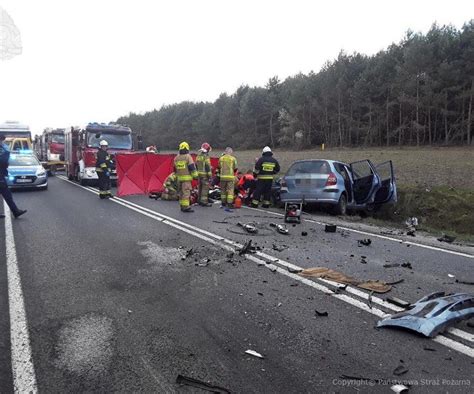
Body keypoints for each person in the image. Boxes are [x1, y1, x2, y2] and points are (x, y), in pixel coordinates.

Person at [0, 135, 27, 218]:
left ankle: (16, 211)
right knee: (7, 195)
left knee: (7, 194)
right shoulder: (3, 149)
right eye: (2, 140)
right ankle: (16, 211)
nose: (2, 142)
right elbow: (3, 160)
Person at [173, 141, 198, 212]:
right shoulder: (188, 157)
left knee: (181, 193)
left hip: (179, 179)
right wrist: (195, 176)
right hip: (186, 179)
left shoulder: (176, 158)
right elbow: (192, 167)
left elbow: (174, 169)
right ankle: (186, 207)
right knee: (186, 193)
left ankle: (182, 206)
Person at [196, 142, 213, 206]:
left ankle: (199, 200)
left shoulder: (199, 155)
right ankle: (204, 201)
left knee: (200, 187)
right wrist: (209, 175)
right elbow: (207, 165)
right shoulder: (206, 156)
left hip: (199, 174)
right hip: (204, 174)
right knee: (205, 188)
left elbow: (197, 165)